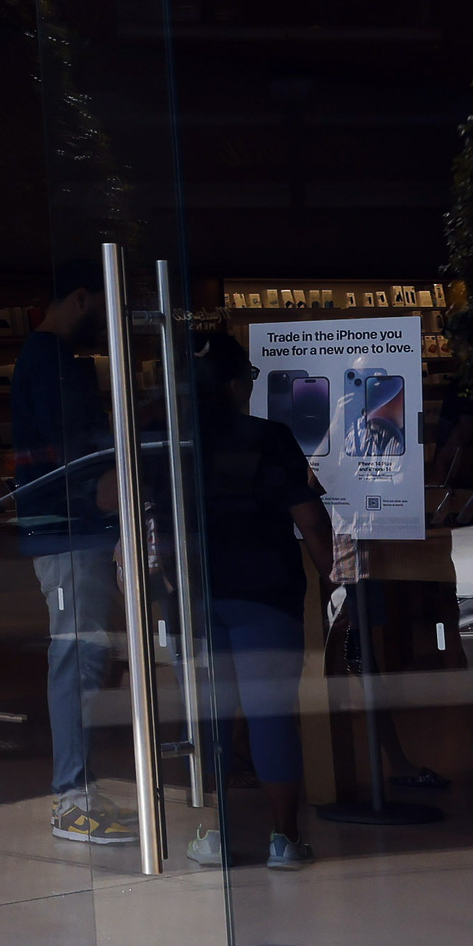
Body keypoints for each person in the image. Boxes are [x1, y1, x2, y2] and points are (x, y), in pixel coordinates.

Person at [183, 333, 326, 870]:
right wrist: (334, 576)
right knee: (271, 715)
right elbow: (309, 518)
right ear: (235, 383)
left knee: (209, 720)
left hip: (196, 594)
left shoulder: (169, 441)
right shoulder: (268, 437)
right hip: (266, 589)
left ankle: (215, 834)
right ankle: (284, 838)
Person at [10, 258, 133, 845]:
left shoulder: (44, 360)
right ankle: (71, 797)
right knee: (77, 653)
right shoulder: (52, 363)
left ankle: (78, 788)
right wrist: (102, 489)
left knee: (82, 652)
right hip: (69, 525)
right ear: (82, 299)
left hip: (69, 524)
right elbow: (74, 447)